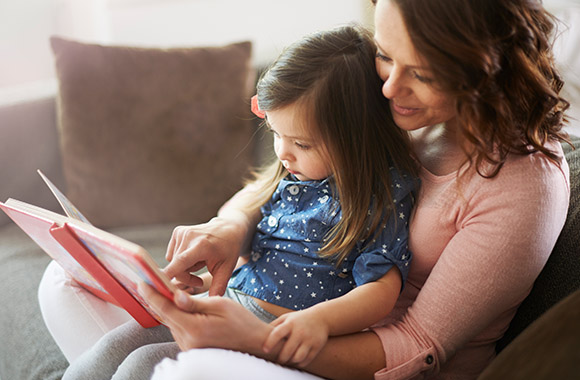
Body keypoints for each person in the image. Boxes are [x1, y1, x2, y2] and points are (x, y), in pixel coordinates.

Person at [39, 0, 571, 379]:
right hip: (267, 312)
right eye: (386, 55)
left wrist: (257, 340)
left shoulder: (523, 184)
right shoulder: (394, 109)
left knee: (165, 366)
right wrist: (231, 228)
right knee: (68, 284)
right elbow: (283, 181)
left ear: (487, 69)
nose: (389, 87)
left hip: (351, 358)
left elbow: (417, 346)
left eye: (424, 74)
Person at [45, 25, 419, 379]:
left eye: (302, 144)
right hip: (229, 304)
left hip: (273, 332)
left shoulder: (380, 198)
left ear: (359, 139)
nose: (283, 154)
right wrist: (196, 283)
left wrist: (320, 321)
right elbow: (256, 260)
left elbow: (380, 292)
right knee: (116, 346)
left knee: (144, 365)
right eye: (275, 133)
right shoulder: (294, 177)